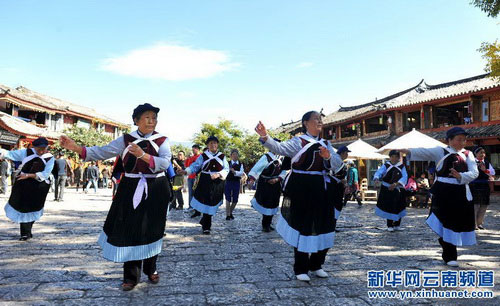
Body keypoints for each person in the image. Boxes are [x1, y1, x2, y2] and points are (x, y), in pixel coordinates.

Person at [59, 103, 172, 291]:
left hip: (156, 188)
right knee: (131, 229)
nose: (152, 121)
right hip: (130, 187)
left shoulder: (162, 141)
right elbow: (103, 151)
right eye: (147, 117)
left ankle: (151, 269)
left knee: (152, 228)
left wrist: (143, 155)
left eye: (154, 117)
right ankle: (131, 277)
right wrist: (77, 148)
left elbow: (164, 163)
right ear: (136, 120)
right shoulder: (126, 140)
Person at [255, 111, 343, 282]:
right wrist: (265, 136)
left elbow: (338, 165)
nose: (319, 121)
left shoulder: (326, 143)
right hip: (301, 188)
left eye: (320, 119)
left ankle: (316, 264)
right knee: (304, 226)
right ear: (306, 123)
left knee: (325, 224)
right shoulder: (299, 141)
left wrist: (329, 157)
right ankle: (301, 267)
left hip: (321, 187)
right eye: (316, 119)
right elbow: (279, 148)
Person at [400, 127, 478, 267]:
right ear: (449, 140)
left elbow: (474, 173)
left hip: (460, 192)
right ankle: (449, 255)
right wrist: (409, 151)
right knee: (446, 221)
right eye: (458, 139)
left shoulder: (468, 154)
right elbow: (424, 152)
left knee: (456, 221)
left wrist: (461, 176)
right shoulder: (440, 151)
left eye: (464, 139)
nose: (462, 142)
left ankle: (447, 244)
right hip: (443, 192)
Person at [1, 137, 54, 240]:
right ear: (34, 147)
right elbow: (10, 154)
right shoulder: (26, 152)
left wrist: (29, 175)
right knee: (23, 207)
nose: (41, 151)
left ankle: (28, 230)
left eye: (44, 149)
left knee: (34, 207)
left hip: (39, 186)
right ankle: (25, 233)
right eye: (39, 149)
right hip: (24, 184)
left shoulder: (50, 158)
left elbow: (46, 174)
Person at [178, 136, 229, 234]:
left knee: (213, 202)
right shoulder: (203, 156)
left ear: (217, 144)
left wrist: (218, 174)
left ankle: (204, 221)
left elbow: (226, 169)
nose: (213, 145)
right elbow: (195, 166)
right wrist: (185, 171)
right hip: (205, 181)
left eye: (215, 143)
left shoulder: (222, 156)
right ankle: (206, 226)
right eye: (211, 143)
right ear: (207, 145)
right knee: (206, 202)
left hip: (218, 182)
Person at [247, 148, 287, 232]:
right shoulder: (266, 157)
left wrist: (277, 179)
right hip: (265, 183)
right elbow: (257, 168)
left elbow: (284, 171)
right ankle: (265, 224)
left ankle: (269, 223)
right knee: (266, 203)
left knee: (274, 203)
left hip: (275, 183)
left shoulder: (281, 158)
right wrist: (252, 180)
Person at [373, 150, 408, 231]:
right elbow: (379, 172)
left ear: (399, 158)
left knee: (398, 206)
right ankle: (389, 225)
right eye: (392, 156)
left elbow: (405, 177)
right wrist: (376, 178)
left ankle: (397, 224)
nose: (394, 158)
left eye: (396, 157)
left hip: (398, 188)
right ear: (390, 157)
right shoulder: (386, 165)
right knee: (389, 206)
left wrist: (396, 184)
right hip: (387, 189)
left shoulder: (402, 166)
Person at [470, 146, 495, 230]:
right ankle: (474, 224)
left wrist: (485, 170)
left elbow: (492, 173)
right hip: (474, 186)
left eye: (484, 152)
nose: (483, 154)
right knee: (475, 205)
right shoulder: (471, 162)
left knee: (483, 205)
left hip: (484, 186)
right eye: (480, 152)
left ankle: (480, 223)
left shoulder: (487, 163)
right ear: (475, 154)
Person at [328, 146, 349, 222]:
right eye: (347, 153)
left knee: (336, 204)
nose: (347, 155)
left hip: (336, 185)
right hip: (335, 185)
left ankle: (332, 222)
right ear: (343, 153)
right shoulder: (337, 160)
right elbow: (333, 173)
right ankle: (332, 223)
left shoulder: (338, 160)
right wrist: (342, 180)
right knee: (336, 204)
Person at [224, 149, 244, 220]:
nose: (235, 156)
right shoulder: (227, 163)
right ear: (231, 156)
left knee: (235, 199)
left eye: (236, 154)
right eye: (233, 154)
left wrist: (234, 172)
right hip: (228, 182)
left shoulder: (240, 164)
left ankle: (230, 212)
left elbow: (241, 173)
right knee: (228, 198)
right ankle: (228, 215)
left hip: (236, 182)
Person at [184, 144, 201, 211]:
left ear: (197, 149)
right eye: (192, 150)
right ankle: (190, 206)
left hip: (197, 177)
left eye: (194, 150)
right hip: (190, 177)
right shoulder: (191, 157)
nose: (193, 151)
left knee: (196, 192)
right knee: (190, 193)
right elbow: (187, 166)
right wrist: (188, 158)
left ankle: (197, 207)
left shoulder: (200, 157)